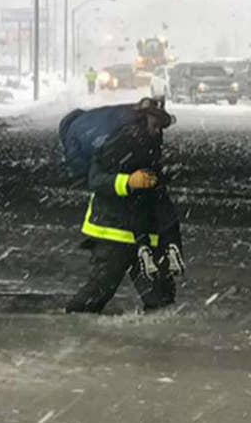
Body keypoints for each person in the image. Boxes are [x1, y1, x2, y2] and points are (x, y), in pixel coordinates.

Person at [66, 99, 186, 314]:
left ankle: (157, 334)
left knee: (160, 296)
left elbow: (156, 191)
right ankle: (73, 323)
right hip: (114, 232)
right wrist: (128, 182)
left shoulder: (150, 145)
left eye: (161, 126)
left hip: (145, 234)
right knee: (98, 290)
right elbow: (97, 180)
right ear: (142, 120)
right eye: (155, 124)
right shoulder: (118, 143)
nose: (158, 130)